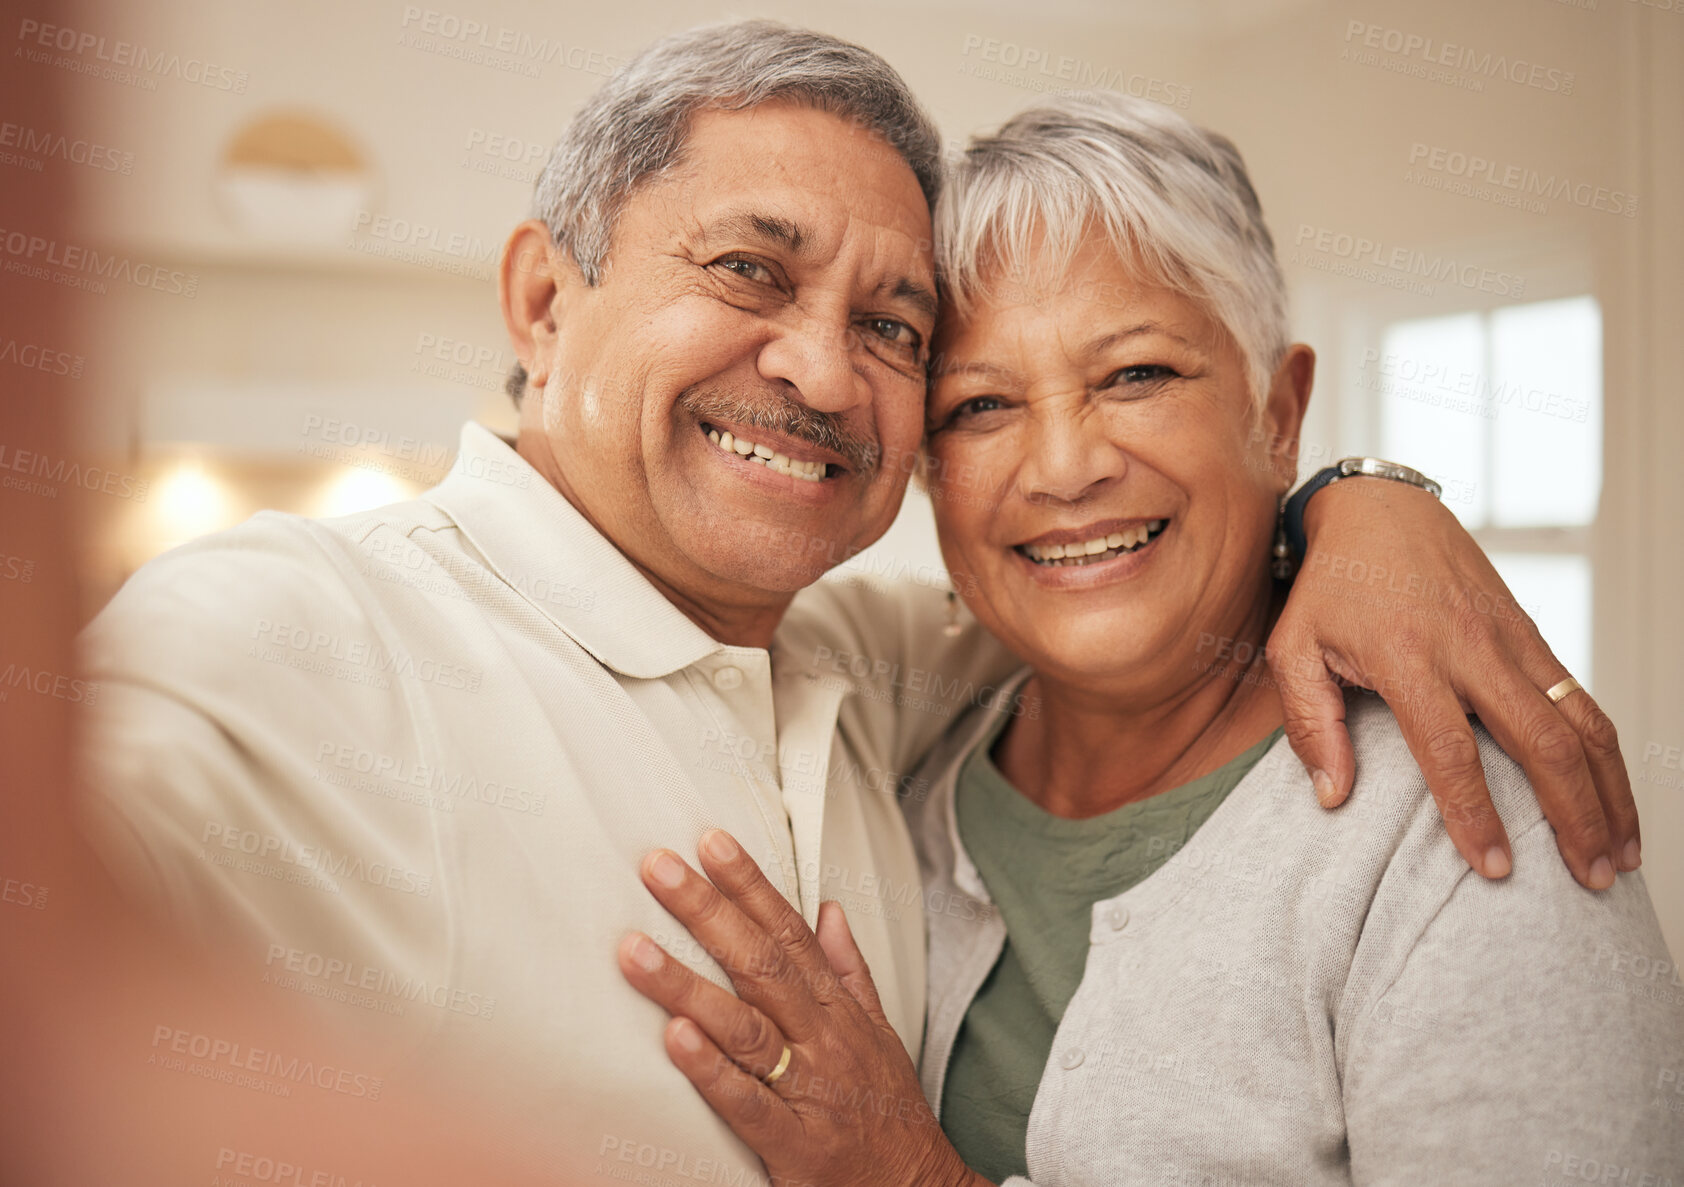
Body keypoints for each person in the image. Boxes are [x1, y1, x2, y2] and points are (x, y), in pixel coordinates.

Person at [76, 22, 1636, 1175]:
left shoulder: (885, 680)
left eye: (894, 325)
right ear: (547, 302)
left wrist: (1368, 500)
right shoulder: (292, 639)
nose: (823, 370)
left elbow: (1138, 579)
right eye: (751, 270)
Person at [617, 92, 1682, 1185]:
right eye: (980, 406)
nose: (1065, 466)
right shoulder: (893, 746)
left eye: (1135, 374)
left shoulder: (1456, 820)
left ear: (1276, 411)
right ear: (928, 463)